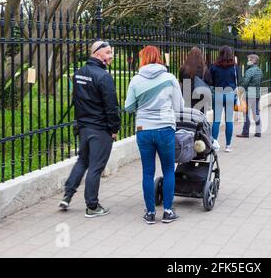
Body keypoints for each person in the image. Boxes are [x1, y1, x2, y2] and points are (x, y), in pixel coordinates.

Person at [59, 41, 120, 218]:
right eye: (108, 53)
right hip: (100, 129)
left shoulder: (78, 74)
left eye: (111, 53)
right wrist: (114, 128)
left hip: (83, 127)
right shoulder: (103, 76)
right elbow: (111, 107)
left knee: (83, 161)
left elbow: (76, 101)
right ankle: (92, 206)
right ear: (97, 53)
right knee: (95, 167)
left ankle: (67, 195)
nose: (110, 56)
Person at [124, 46, 184, 224]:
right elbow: (179, 107)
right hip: (165, 128)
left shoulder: (136, 80)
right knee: (168, 170)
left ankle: (150, 213)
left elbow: (128, 107)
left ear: (142, 58)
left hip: (144, 129)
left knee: (147, 172)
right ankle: (167, 211)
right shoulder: (169, 78)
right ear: (159, 57)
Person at [210, 45, 239, 152]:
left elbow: (211, 81)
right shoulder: (234, 67)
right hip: (230, 93)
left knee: (216, 120)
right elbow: (237, 81)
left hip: (218, 92)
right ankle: (228, 145)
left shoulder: (214, 66)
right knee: (229, 120)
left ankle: (214, 144)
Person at [236, 54, 263, 138]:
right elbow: (261, 80)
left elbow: (245, 82)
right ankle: (258, 131)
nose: (248, 61)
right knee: (256, 113)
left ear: (254, 61)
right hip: (257, 93)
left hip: (249, 93)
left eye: (249, 59)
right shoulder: (259, 70)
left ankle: (245, 132)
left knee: (246, 113)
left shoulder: (250, 71)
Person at [179, 46, 212, 113]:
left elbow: (181, 79)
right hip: (200, 97)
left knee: (187, 118)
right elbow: (210, 82)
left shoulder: (183, 69)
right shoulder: (204, 70)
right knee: (200, 118)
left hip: (186, 96)